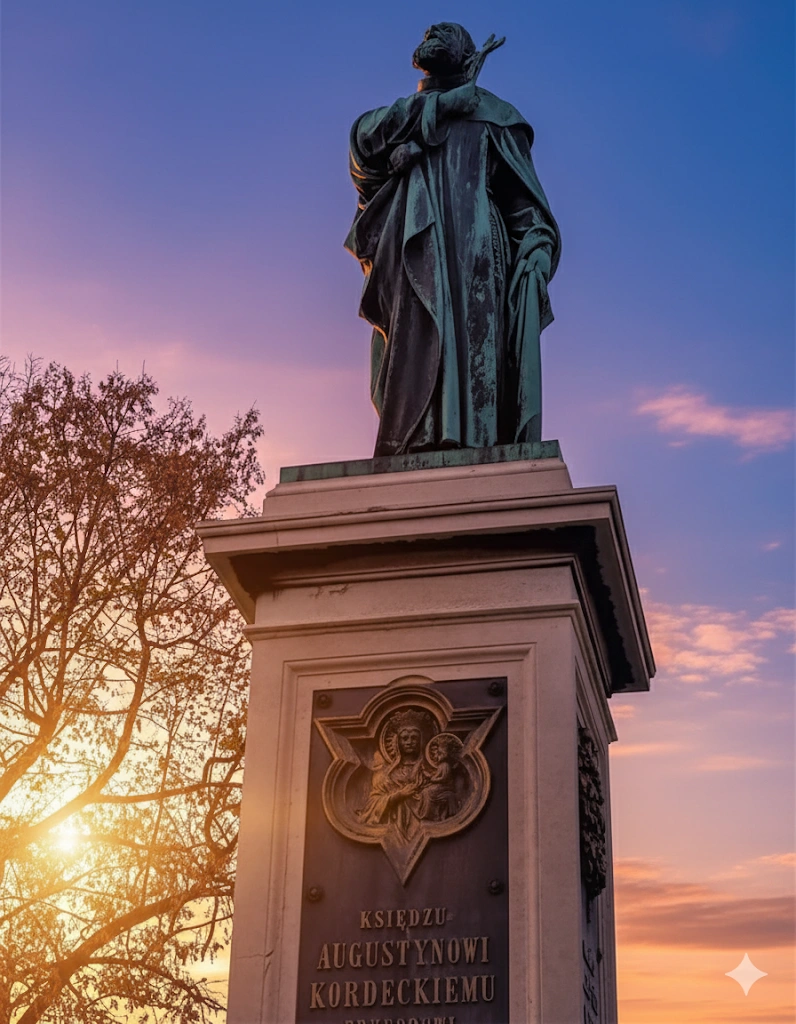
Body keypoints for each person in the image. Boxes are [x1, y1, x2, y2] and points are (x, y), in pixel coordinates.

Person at [346, 22, 561, 457]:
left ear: (465, 55)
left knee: (473, 355)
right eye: (427, 34)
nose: (430, 36)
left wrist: (537, 250)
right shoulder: (393, 120)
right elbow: (362, 148)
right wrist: (441, 109)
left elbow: (525, 208)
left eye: (443, 33)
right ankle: (412, 443)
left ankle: (476, 443)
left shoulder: (495, 116)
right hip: (413, 254)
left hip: (476, 255)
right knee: (412, 348)